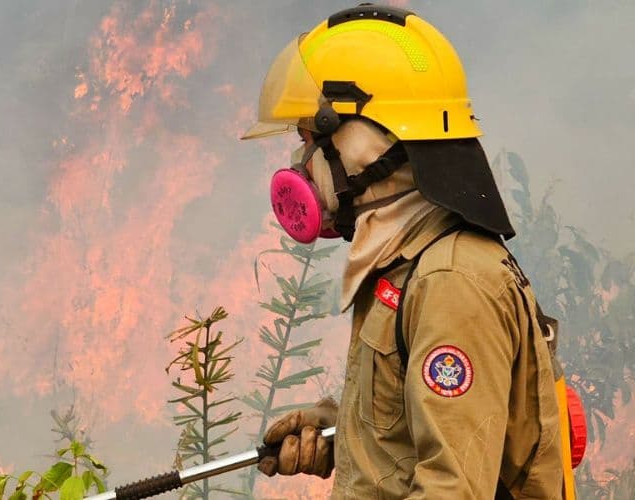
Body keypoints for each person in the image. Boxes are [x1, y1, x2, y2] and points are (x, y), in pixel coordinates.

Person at [242, 4, 566, 499]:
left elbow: (452, 489)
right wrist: (343, 433)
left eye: (312, 138)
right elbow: (428, 426)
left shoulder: (451, 282)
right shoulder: (411, 263)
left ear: (371, 142)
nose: (301, 163)